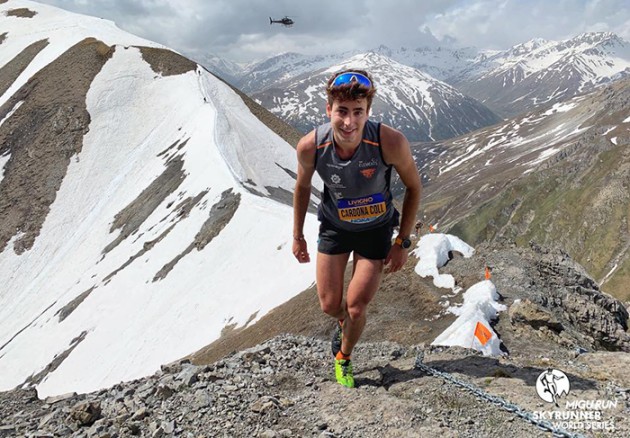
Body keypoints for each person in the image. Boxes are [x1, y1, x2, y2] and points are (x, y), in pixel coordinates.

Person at [292, 69, 422, 388]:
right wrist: (297, 236)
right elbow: (302, 187)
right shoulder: (311, 146)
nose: (349, 122)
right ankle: (344, 325)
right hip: (336, 228)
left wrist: (402, 242)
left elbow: (414, 187)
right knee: (330, 305)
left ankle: (344, 357)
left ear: (368, 111)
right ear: (328, 110)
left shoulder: (389, 142)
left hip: (376, 231)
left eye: (358, 113)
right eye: (342, 112)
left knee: (356, 305)